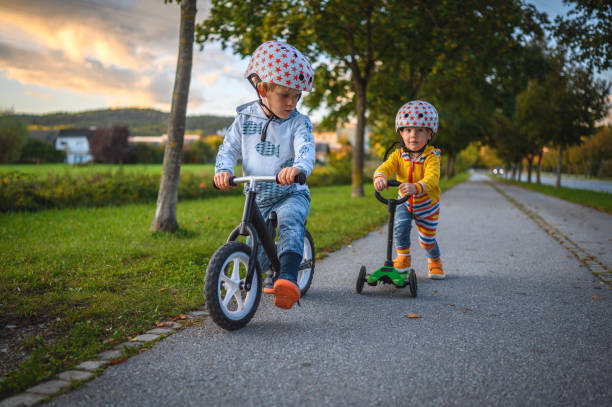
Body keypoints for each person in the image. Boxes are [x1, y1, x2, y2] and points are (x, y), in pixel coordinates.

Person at [213, 40, 316, 309]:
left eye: (297, 96)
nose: (292, 102)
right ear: (263, 90)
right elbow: (228, 148)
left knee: (290, 219)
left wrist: (298, 169)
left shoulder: (298, 123)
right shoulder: (244, 120)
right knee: (256, 250)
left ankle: (289, 278)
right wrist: (223, 170)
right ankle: (259, 276)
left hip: (290, 191)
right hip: (257, 193)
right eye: (285, 95)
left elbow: (305, 149)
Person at [373, 100, 444, 279]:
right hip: (404, 202)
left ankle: (435, 262)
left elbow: (432, 179)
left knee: (427, 240)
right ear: (401, 133)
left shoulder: (431, 157)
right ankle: (403, 258)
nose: (413, 135)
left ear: (429, 134)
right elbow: (386, 167)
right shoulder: (398, 155)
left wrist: (416, 187)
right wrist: (380, 176)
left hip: (427, 204)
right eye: (408, 130)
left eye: (420, 130)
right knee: (400, 227)